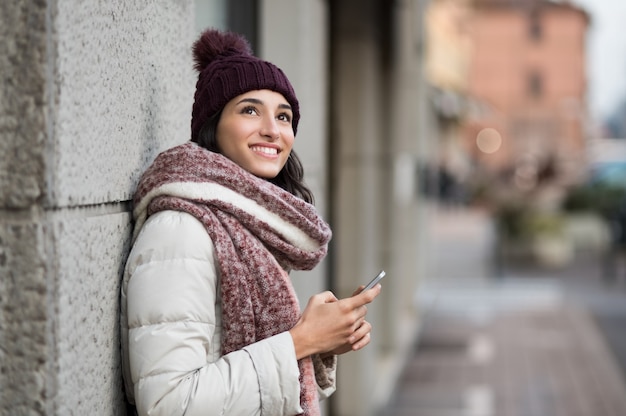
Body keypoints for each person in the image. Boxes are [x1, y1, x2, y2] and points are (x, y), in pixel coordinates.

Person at [120, 28, 381, 416]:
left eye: (284, 116)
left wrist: (322, 341)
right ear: (212, 125)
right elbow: (168, 403)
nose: (272, 130)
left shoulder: (244, 225)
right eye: (249, 110)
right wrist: (300, 341)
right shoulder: (180, 230)